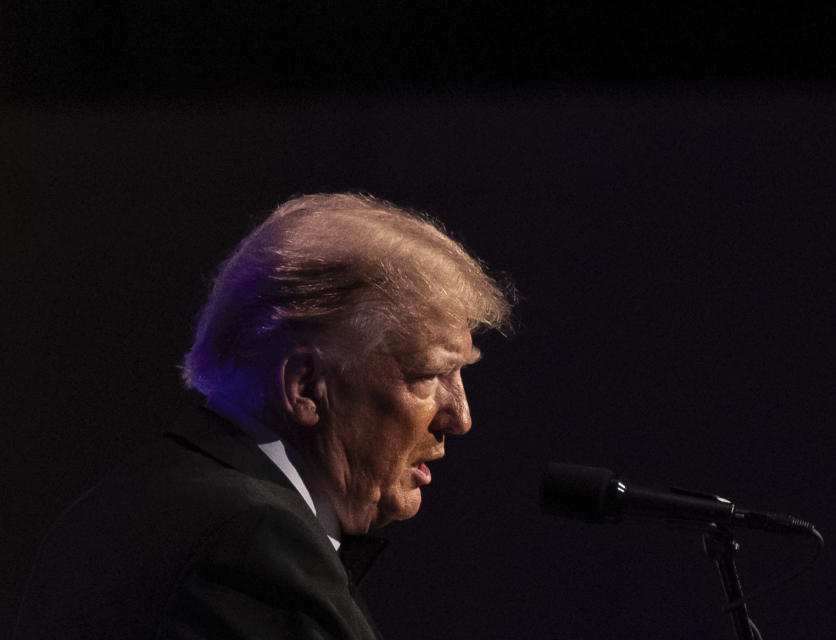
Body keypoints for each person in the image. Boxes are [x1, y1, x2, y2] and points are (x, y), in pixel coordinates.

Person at [14, 193, 513, 639]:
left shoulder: (120, 502)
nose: (460, 417)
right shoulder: (250, 546)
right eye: (428, 375)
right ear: (305, 389)